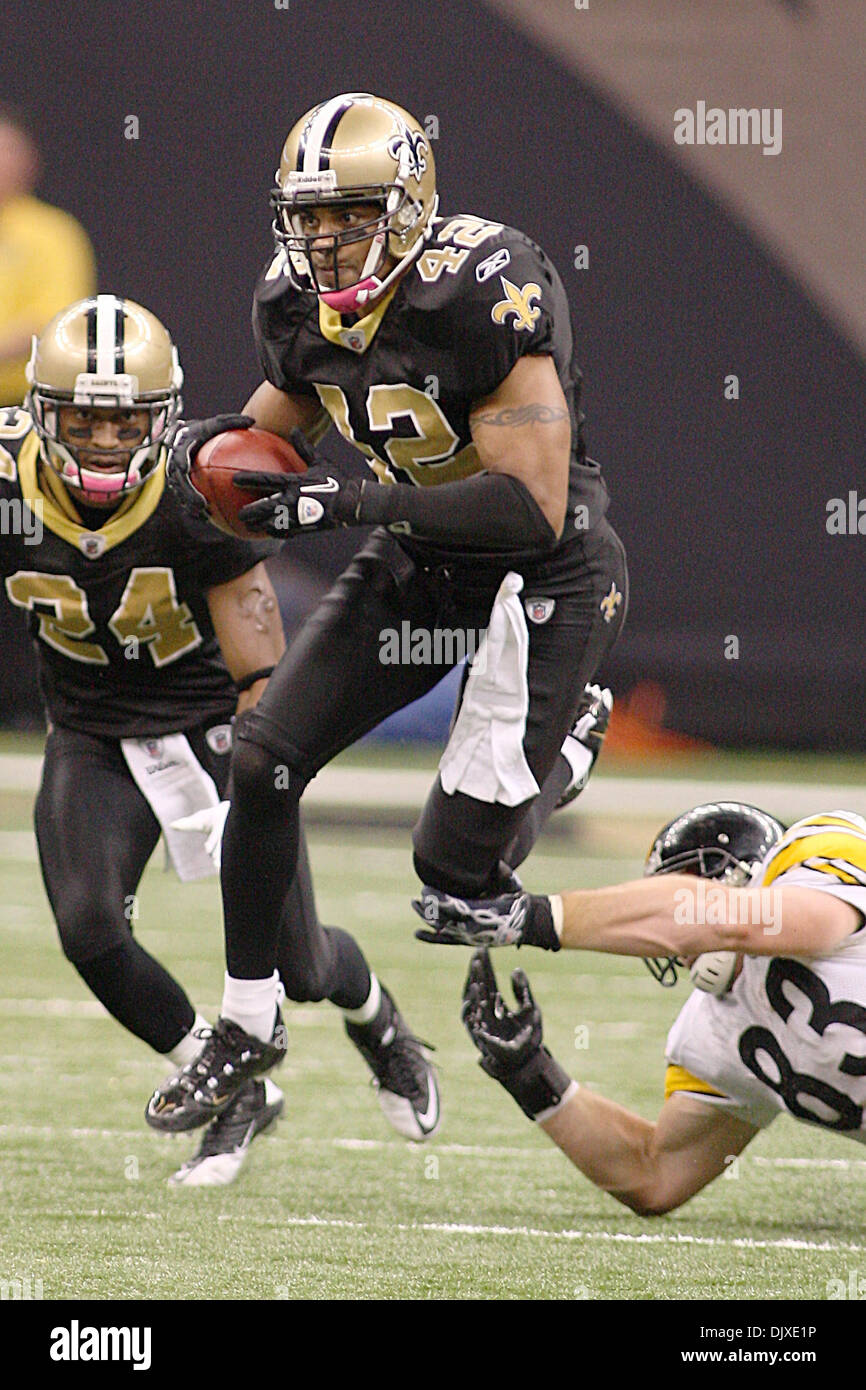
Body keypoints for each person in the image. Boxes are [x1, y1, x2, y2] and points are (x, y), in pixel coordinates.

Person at [146, 91, 626, 1131]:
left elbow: (530, 505)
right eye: (307, 215)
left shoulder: (479, 289)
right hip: (419, 557)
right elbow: (269, 440)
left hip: (541, 574)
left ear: (409, 208)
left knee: (454, 880)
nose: (322, 238)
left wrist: (351, 499)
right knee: (261, 758)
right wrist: (201, 460)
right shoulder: (294, 304)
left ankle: (565, 745)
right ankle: (246, 1017)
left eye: (348, 212)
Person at [1, 294, 439, 1186]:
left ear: (162, 423)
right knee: (89, 928)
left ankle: (380, 1021)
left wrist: (251, 777)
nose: (101, 444)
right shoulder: (10, 479)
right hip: (88, 726)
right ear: (39, 414)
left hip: (210, 723)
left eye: (125, 425)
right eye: (81, 421)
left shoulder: (205, 484)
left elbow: (261, 671)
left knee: (302, 967)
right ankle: (234, 1083)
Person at [416, 802, 866, 1215]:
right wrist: (531, 1075)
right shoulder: (715, 1028)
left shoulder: (817, 853)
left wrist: (531, 918)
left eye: (678, 884)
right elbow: (655, 1174)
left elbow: (748, 920)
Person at [0, 106, 95, 406]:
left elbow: (58, 322)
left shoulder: (54, 233)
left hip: (26, 405)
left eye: (8, 150)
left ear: (29, 161)